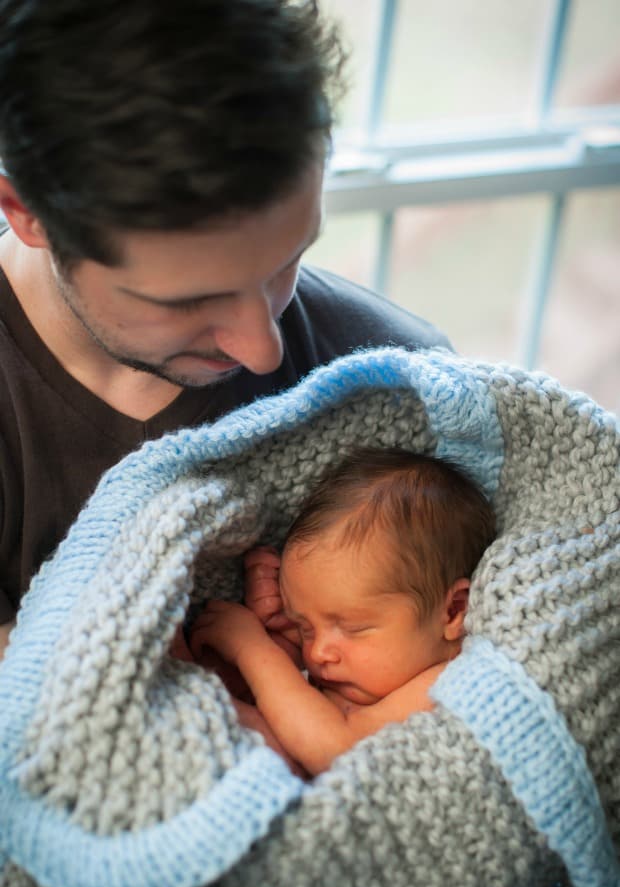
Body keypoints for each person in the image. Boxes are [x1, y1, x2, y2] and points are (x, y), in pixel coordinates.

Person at [0, 0, 451, 660]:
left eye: (287, 262)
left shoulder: (407, 384)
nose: (265, 348)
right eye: (190, 301)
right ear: (28, 215)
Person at [187, 448, 496, 776]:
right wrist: (277, 624)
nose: (318, 652)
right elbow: (292, 688)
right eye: (306, 628)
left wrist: (251, 648)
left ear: (453, 610)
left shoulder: (448, 680)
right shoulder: (370, 661)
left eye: (352, 628)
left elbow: (333, 751)